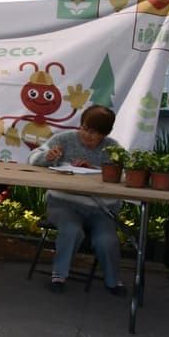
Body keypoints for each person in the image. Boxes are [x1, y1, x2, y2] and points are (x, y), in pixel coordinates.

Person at [27, 105, 127, 295]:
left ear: (105, 134)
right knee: (71, 230)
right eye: (86, 129)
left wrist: (97, 169)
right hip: (63, 204)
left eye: (95, 133)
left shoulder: (113, 148)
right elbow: (32, 158)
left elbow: (130, 170)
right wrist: (47, 157)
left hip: (100, 208)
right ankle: (59, 276)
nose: (89, 136)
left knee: (107, 240)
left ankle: (113, 281)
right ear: (80, 126)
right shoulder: (63, 139)